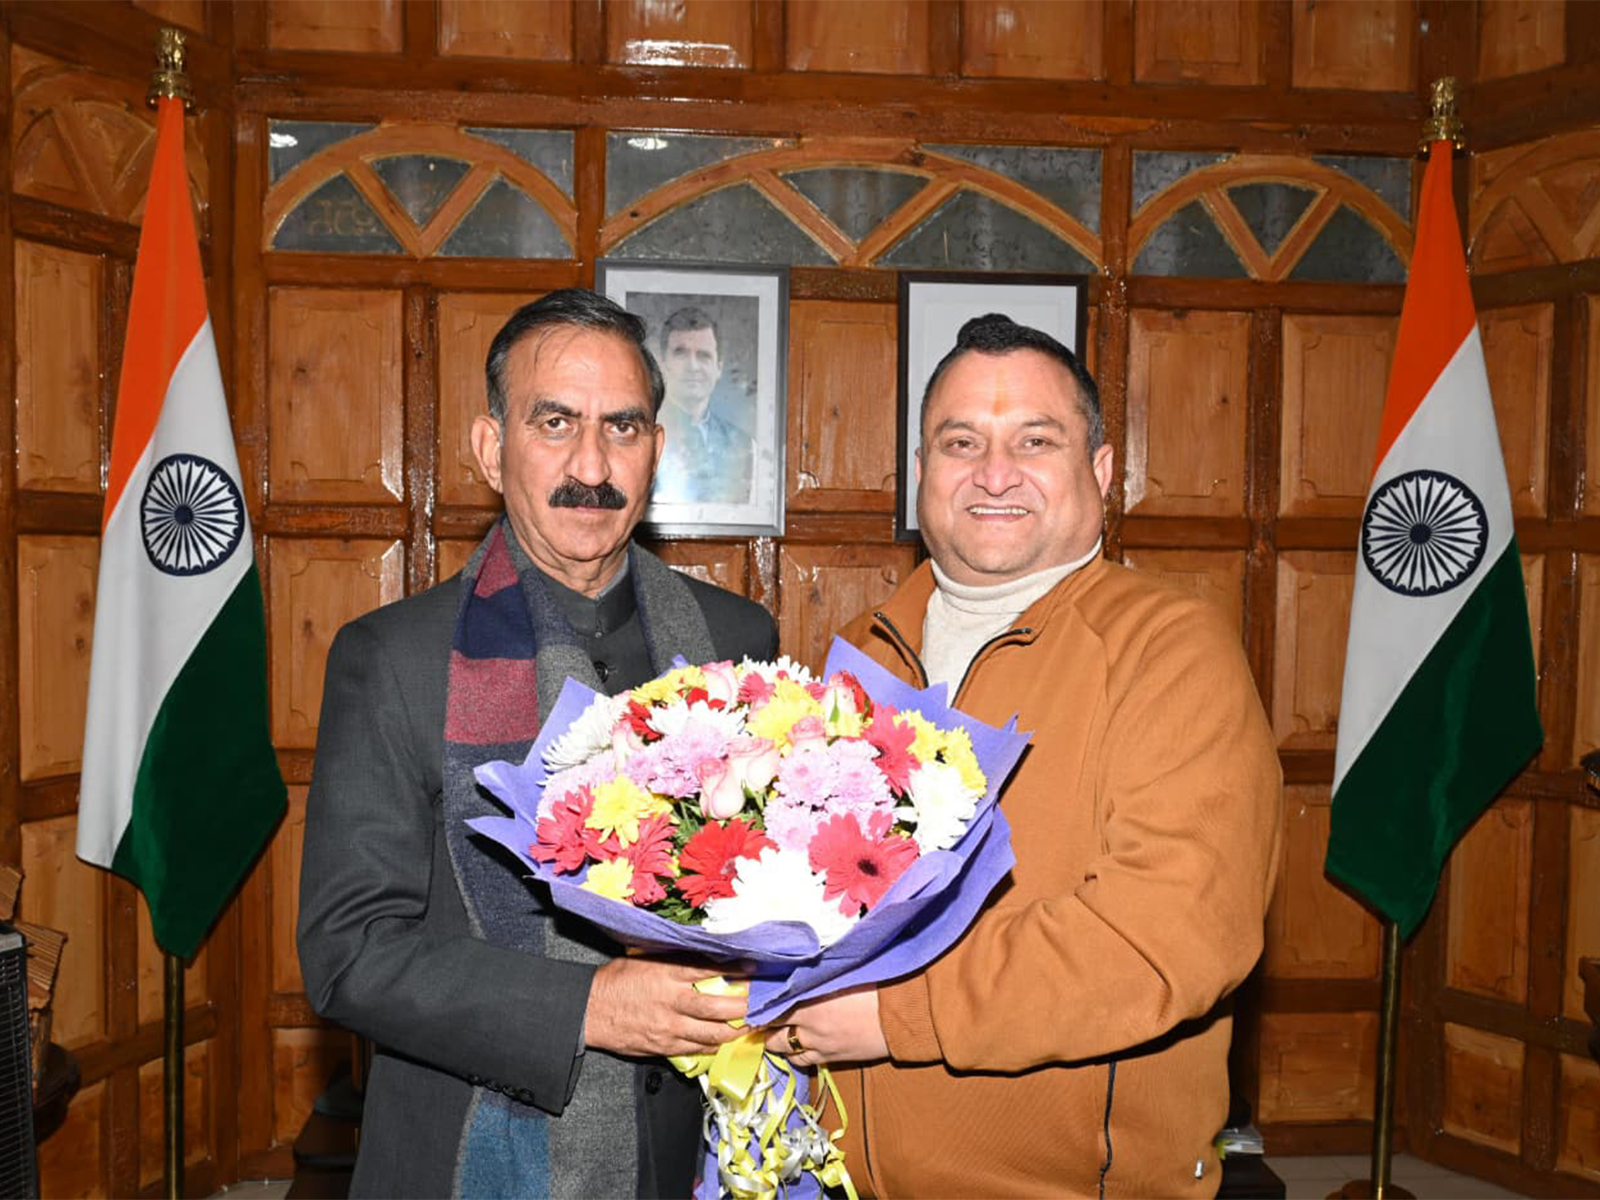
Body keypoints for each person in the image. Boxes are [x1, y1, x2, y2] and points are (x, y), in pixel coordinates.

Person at [765, 314, 1283, 1199]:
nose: (993, 473)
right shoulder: (861, 652)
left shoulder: (1170, 650)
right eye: (961, 441)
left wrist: (897, 1015)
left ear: (1103, 471)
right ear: (922, 474)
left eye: (1035, 441)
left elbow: (1166, 939)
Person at [297, 289, 776, 1199]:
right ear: (490, 448)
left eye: (622, 427)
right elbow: (349, 951)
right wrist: (587, 1007)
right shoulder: (395, 659)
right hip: (473, 1153)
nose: (590, 464)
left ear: (657, 452)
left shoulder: (735, 638)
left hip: (705, 1151)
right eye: (554, 422)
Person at [651, 305, 755, 506]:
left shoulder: (744, 446)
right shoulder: (642, 435)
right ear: (663, 364)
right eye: (681, 353)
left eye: (703, 355)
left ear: (719, 367)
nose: (693, 366)